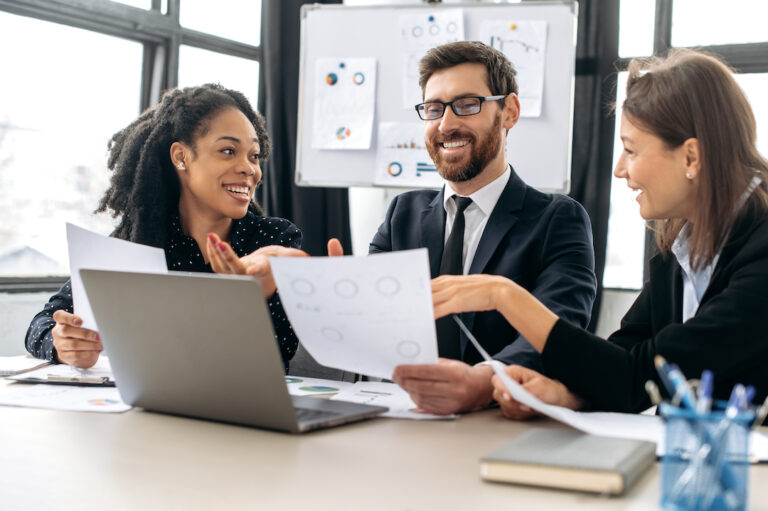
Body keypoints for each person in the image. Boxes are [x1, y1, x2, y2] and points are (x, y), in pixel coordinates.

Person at [431, 49, 768, 419]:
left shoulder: (760, 250)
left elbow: (638, 373)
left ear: (691, 158)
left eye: (630, 150)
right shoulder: (683, 246)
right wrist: (567, 395)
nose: (620, 170)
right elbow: (628, 357)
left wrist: (503, 295)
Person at [372, 41, 597, 415]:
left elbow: (558, 330)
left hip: (497, 417)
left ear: (510, 112)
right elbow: (377, 325)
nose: (446, 124)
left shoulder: (558, 220)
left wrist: (485, 381)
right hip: (403, 412)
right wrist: (341, 297)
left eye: (467, 104)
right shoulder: (402, 213)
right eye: (434, 109)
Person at [25, 84, 305, 370]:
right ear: (181, 157)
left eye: (254, 155)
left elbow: (280, 351)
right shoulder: (136, 242)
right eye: (228, 151)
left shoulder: (273, 240)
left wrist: (257, 294)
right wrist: (62, 343)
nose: (249, 168)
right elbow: (42, 323)